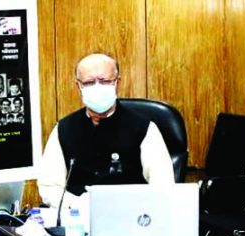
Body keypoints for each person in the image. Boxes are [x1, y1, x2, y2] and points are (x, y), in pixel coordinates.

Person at [36, 53, 174, 214]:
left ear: (117, 83)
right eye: (89, 82)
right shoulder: (64, 128)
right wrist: (77, 205)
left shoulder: (144, 128)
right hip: (77, 220)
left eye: (104, 81)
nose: (97, 87)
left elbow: (163, 186)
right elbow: (50, 186)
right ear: (78, 86)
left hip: (131, 217)